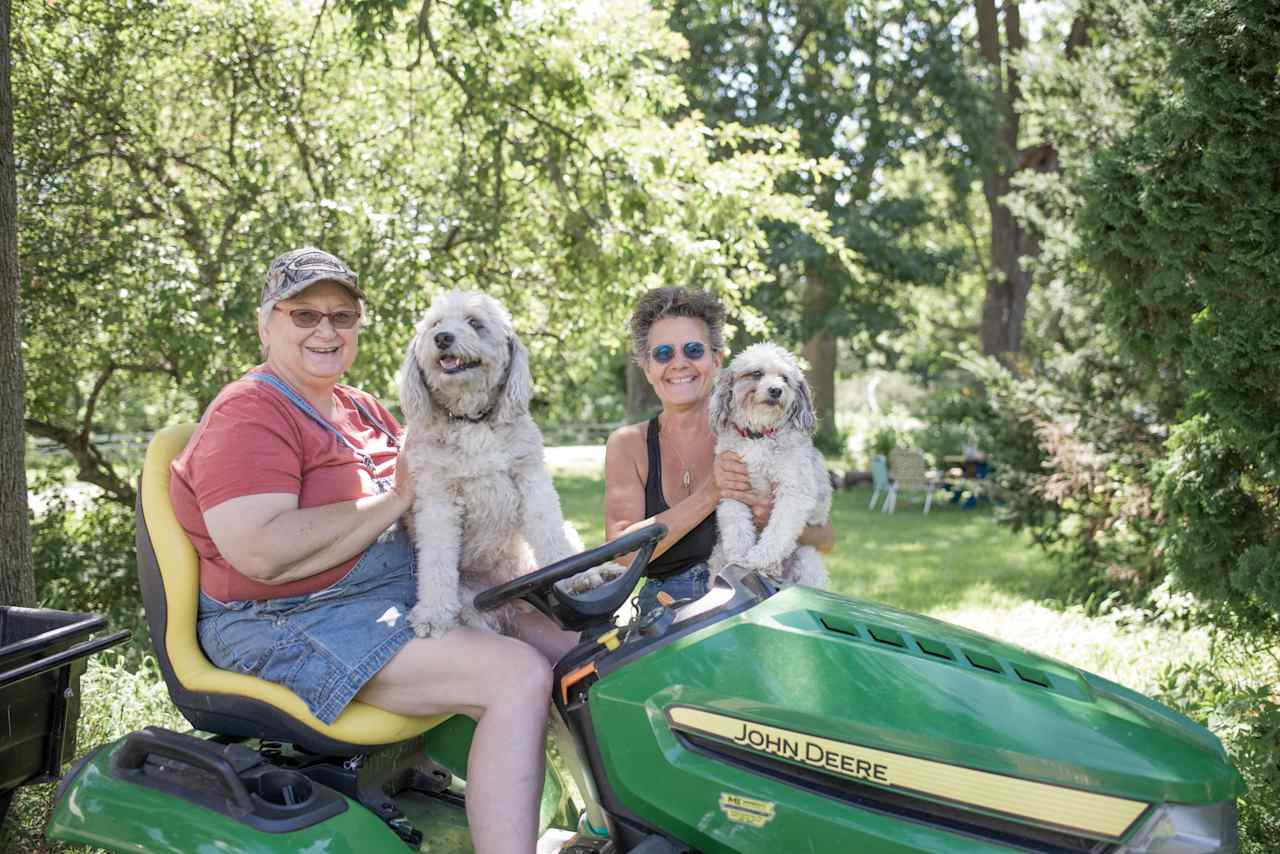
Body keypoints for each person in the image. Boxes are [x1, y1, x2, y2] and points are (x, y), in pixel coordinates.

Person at [170, 247, 573, 854]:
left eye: (341, 316)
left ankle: (607, 827)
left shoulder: (358, 408)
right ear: (265, 325)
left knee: (583, 647)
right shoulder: (249, 412)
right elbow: (260, 552)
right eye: (303, 315)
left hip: (384, 601)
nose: (325, 330)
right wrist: (391, 501)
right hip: (290, 619)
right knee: (516, 675)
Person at [603, 287, 835, 613]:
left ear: (717, 359)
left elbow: (826, 539)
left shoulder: (760, 433)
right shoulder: (629, 444)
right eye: (663, 353)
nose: (679, 364)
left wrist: (770, 519)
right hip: (666, 612)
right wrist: (711, 493)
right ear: (646, 365)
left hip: (761, 595)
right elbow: (621, 552)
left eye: (694, 350)